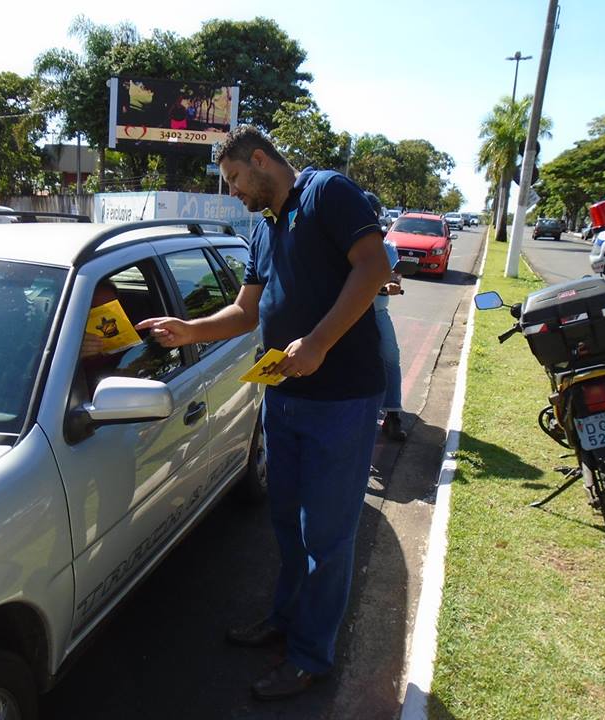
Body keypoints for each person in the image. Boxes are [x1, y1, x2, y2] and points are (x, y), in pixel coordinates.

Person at [135, 125, 391, 701]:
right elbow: (245, 311)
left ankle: (309, 656)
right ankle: (286, 618)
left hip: (342, 402)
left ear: (259, 160)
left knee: (327, 535)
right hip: (284, 397)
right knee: (287, 522)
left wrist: (321, 341)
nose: (233, 193)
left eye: (233, 179)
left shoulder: (327, 193)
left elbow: (373, 269)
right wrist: (188, 331)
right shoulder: (263, 228)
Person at [363, 191, 407, 442]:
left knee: (391, 355)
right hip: (346, 312)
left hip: (375, 312)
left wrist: (393, 285)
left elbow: (396, 279)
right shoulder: (338, 245)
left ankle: (392, 413)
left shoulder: (387, 249)